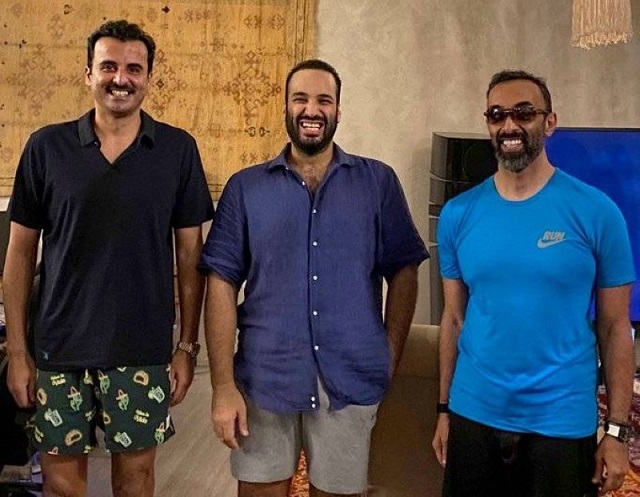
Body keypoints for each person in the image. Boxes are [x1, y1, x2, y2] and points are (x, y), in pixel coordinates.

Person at [198, 59, 428, 497]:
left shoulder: (378, 182)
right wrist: (223, 386)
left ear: (338, 110)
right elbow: (221, 284)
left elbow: (405, 267)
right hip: (264, 380)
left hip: (350, 378)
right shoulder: (245, 188)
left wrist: (389, 353)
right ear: (285, 106)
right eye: (300, 98)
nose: (312, 109)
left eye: (324, 100)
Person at [3, 19, 214, 497]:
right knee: (61, 486)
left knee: (136, 483)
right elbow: (20, 253)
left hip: (142, 349)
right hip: (59, 349)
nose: (121, 78)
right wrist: (17, 352)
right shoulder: (46, 147)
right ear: (88, 74)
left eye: (134, 69)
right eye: (109, 66)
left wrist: (187, 347)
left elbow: (190, 255)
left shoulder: (177, 150)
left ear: (149, 78)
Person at [431, 69, 636, 497]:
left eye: (524, 113)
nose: (509, 125)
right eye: (497, 114)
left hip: (560, 423)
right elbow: (453, 319)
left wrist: (616, 431)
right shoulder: (457, 215)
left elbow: (616, 327)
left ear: (550, 122)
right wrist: (444, 409)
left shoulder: (598, 213)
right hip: (473, 415)